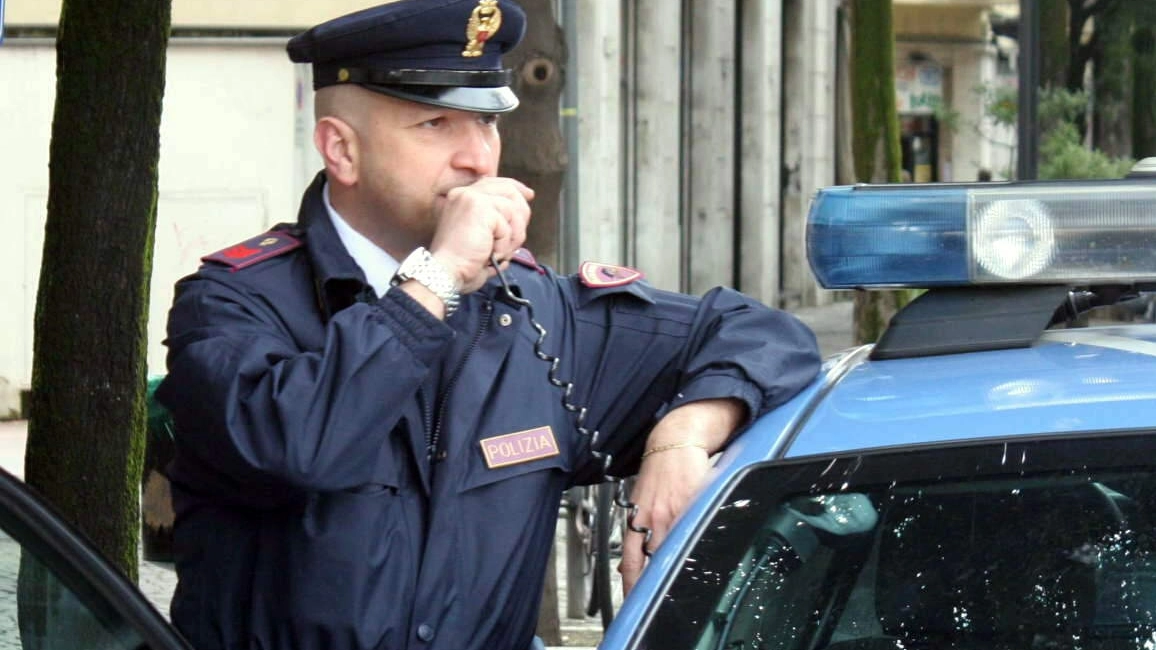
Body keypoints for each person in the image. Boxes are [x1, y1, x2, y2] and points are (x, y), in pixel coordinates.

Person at [155, 1, 821, 649]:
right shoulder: (234, 305)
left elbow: (762, 336)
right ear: (342, 150)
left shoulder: (536, 310)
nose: (478, 157)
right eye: (438, 125)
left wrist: (681, 438)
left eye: (489, 123)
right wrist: (438, 279)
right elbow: (300, 445)